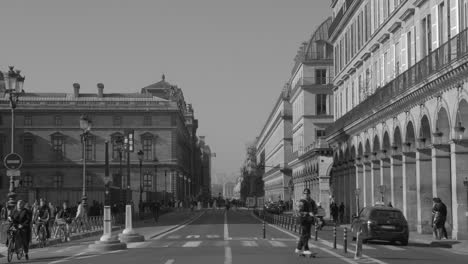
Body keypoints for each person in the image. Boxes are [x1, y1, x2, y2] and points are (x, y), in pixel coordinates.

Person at [295, 188, 318, 256]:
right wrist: (308, 213)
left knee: (305, 234)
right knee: (306, 234)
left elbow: (315, 209)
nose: (306, 195)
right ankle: (306, 249)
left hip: (309, 220)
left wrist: (315, 214)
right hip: (303, 219)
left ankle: (298, 248)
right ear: (303, 194)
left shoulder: (312, 201)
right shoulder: (301, 201)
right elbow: (298, 212)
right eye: (305, 193)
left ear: (309, 194)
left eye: (307, 193)